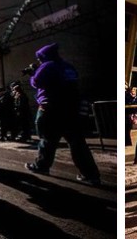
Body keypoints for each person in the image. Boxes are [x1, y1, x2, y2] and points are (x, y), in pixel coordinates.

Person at [25, 43, 101, 186]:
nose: (39, 61)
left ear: (44, 56)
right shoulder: (68, 67)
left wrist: (33, 73)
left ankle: (42, 166)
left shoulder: (47, 66)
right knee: (78, 144)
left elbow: (36, 82)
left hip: (51, 108)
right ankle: (91, 175)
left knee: (47, 140)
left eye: (40, 58)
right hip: (71, 108)